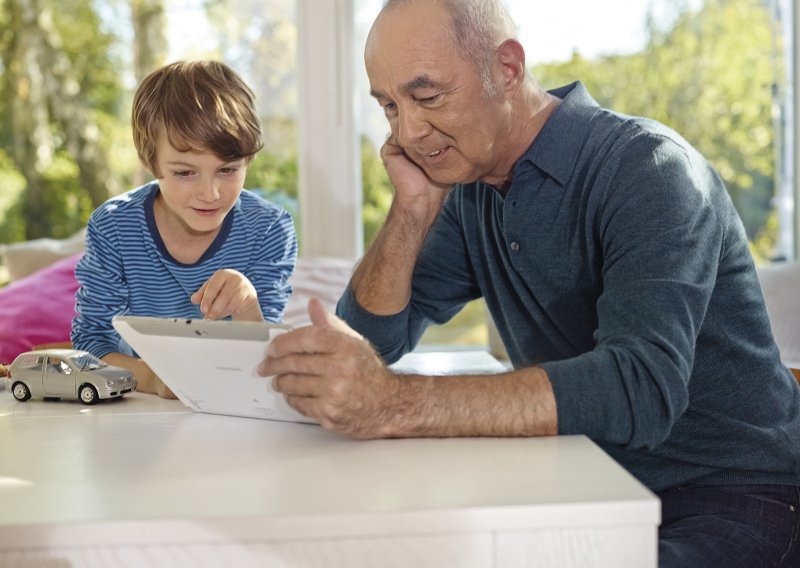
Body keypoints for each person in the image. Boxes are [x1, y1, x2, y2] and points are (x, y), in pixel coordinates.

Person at [259, 1, 800, 566]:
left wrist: (395, 402)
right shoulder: (471, 191)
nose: (409, 131)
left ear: (508, 69)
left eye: (426, 96)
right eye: (390, 106)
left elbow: (641, 388)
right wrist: (412, 210)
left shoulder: (650, 170)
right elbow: (372, 339)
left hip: (733, 493)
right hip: (583, 483)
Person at [73, 60, 298, 398]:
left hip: (235, 404)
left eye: (227, 170)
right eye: (184, 173)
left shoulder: (268, 229)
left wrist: (247, 305)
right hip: (144, 408)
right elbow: (91, 342)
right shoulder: (114, 227)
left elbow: (266, 363)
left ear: (248, 160)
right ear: (151, 162)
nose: (210, 194)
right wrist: (153, 380)